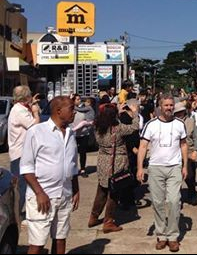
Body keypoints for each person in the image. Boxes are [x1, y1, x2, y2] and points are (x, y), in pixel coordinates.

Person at [20, 96, 79, 255]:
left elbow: (73, 165)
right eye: (71, 109)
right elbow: (26, 167)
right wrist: (39, 193)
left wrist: (75, 189)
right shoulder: (37, 132)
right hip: (42, 197)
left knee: (60, 238)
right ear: (59, 111)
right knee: (37, 243)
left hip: (64, 195)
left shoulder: (71, 134)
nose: (75, 112)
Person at [137, 94, 188, 252]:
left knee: (174, 201)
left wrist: (185, 165)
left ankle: (172, 236)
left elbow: (184, 145)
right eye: (166, 105)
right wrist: (140, 168)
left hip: (174, 167)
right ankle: (161, 234)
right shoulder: (150, 124)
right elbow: (143, 147)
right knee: (158, 202)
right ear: (160, 106)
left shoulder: (180, 124)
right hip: (156, 167)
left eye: (171, 105)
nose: (169, 108)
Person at [88, 102, 139, 233]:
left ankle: (94, 216)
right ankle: (108, 221)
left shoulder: (97, 127)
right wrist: (135, 113)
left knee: (102, 190)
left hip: (102, 161)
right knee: (114, 191)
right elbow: (135, 127)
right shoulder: (118, 128)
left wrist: (116, 110)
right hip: (116, 162)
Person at [8, 86, 41, 214]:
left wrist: (31, 105)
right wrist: (35, 112)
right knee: (21, 186)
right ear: (25, 97)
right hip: (20, 153)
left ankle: (19, 212)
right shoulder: (19, 111)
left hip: (22, 152)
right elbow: (35, 126)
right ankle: (16, 215)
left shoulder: (21, 109)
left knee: (25, 185)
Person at [175, 102, 197, 206]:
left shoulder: (190, 121)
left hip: (189, 152)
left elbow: (195, 137)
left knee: (190, 176)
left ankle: (192, 194)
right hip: (175, 152)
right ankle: (177, 199)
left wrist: (195, 150)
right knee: (176, 178)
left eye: (181, 111)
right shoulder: (172, 122)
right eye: (177, 112)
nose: (179, 114)